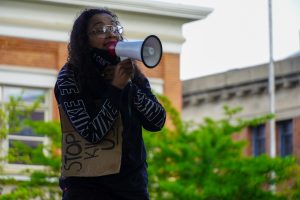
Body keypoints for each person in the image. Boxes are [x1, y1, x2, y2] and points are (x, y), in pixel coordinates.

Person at [54, 7, 166, 200]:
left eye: (114, 28)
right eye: (100, 30)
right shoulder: (70, 76)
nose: (110, 33)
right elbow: (92, 133)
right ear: (84, 40)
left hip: (132, 187)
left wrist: (128, 85)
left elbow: (157, 121)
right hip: (87, 188)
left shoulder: (131, 73)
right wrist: (115, 89)